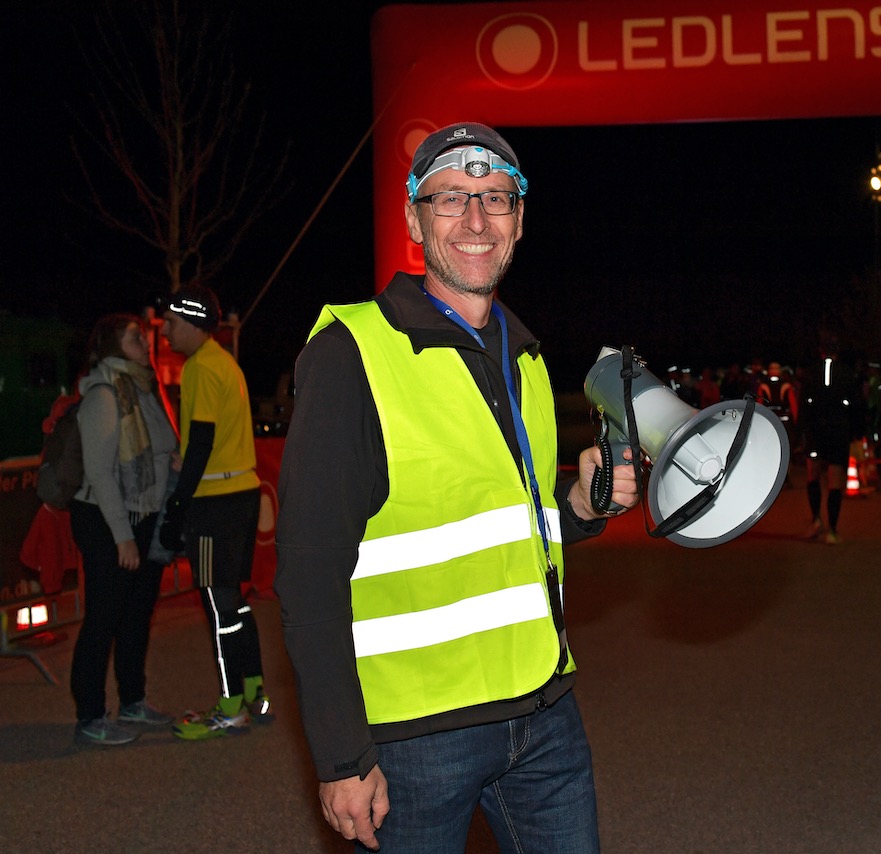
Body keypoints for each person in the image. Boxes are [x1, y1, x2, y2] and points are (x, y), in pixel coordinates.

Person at [274, 122, 641, 853]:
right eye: (451, 199)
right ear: (414, 219)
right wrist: (343, 756)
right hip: (417, 741)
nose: (476, 220)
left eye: (496, 199)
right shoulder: (353, 354)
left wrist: (576, 503)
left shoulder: (527, 359)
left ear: (520, 220)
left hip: (544, 716)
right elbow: (308, 572)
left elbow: (507, 522)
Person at [157, 285, 272, 739]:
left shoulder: (200, 366)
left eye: (170, 322)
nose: (164, 330)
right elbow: (211, 439)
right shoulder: (225, 361)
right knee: (236, 601)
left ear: (192, 323)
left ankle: (230, 708)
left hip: (214, 502)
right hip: (241, 491)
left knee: (217, 603)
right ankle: (255, 693)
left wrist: (177, 507)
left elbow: (202, 439)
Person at [68, 313, 178, 746]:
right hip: (106, 518)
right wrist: (122, 535)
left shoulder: (143, 385)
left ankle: (133, 700)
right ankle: (89, 715)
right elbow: (99, 472)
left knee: (135, 616)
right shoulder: (104, 391)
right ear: (112, 343)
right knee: (103, 617)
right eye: (135, 337)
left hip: (144, 515)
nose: (145, 342)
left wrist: (170, 463)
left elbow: (162, 443)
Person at [800, 333, 866, 545]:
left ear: (820, 350)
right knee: (835, 479)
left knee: (813, 475)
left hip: (815, 431)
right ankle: (832, 530)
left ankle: (816, 520)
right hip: (838, 431)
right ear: (838, 351)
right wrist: (858, 432)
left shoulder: (811, 372)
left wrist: (802, 431)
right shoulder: (847, 373)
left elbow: (803, 405)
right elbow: (857, 405)